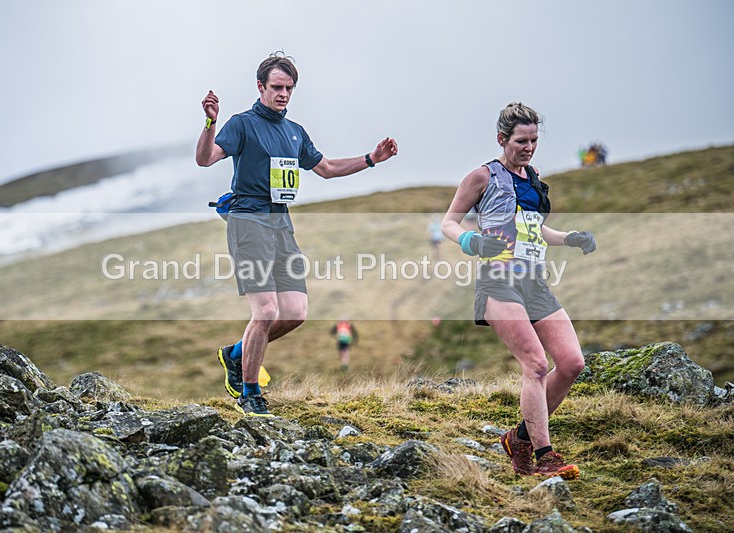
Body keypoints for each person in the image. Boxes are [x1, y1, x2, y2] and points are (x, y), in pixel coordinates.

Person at [195, 52, 398, 417]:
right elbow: (205, 159)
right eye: (277, 87)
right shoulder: (242, 124)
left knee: (295, 312)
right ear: (261, 87)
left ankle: (235, 354)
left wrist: (371, 158)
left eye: (289, 88)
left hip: (281, 225)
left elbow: (328, 168)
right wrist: (210, 123)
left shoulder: (295, 132)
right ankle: (250, 392)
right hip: (248, 222)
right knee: (267, 310)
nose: (284, 94)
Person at [441, 102, 596, 479]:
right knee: (537, 365)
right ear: (502, 139)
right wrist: (472, 242)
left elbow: (535, 231)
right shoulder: (482, 177)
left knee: (573, 362)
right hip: (498, 281)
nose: (528, 148)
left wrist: (570, 238)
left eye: (534, 140)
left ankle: (519, 437)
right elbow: (448, 222)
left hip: (534, 282)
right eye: (521, 141)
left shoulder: (533, 177)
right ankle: (544, 456)